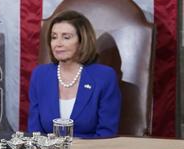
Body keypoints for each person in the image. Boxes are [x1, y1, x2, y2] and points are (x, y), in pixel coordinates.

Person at [28, 10, 121, 138]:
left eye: (66, 37)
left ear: (82, 41)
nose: (58, 44)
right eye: (54, 37)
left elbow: (106, 133)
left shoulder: (104, 77)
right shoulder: (40, 75)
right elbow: (35, 132)